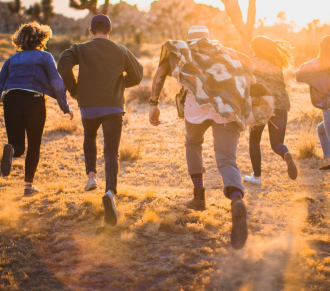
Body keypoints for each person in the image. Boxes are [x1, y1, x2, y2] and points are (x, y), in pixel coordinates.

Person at [149, 26, 256, 250]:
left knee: (193, 145)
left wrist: (153, 103)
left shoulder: (183, 52)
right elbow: (249, 74)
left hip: (195, 110)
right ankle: (236, 198)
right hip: (226, 109)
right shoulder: (227, 53)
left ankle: (199, 198)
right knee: (226, 158)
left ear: (189, 39)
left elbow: (160, 73)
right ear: (209, 38)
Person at [58, 14, 143, 226]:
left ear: (91, 31)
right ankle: (110, 192)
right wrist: (121, 82)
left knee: (89, 137)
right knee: (111, 151)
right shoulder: (121, 50)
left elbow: (62, 64)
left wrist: (75, 89)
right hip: (113, 106)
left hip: (88, 107)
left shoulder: (80, 49)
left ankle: (91, 177)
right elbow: (139, 74)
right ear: (110, 31)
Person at [0, 22, 73, 196]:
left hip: (11, 98)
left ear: (20, 39)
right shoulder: (45, 56)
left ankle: (11, 149)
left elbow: (0, 84)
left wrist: (7, 99)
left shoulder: (12, 59)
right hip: (34, 99)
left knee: (18, 145)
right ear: (41, 38)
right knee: (34, 144)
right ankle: (28, 187)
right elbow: (56, 82)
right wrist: (65, 107)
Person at [244, 36, 298, 186]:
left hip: (261, 105)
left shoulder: (251, 62)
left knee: (254, 140)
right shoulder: (276, 64)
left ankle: (257, 177)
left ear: (255, 49)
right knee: (277, 143)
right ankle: (285, 153)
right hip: (281, 104)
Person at [295, 35, 330, 170]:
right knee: (322, 129)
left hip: (328, 106)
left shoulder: (317, 64)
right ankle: (328, 161)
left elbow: (298, 74)